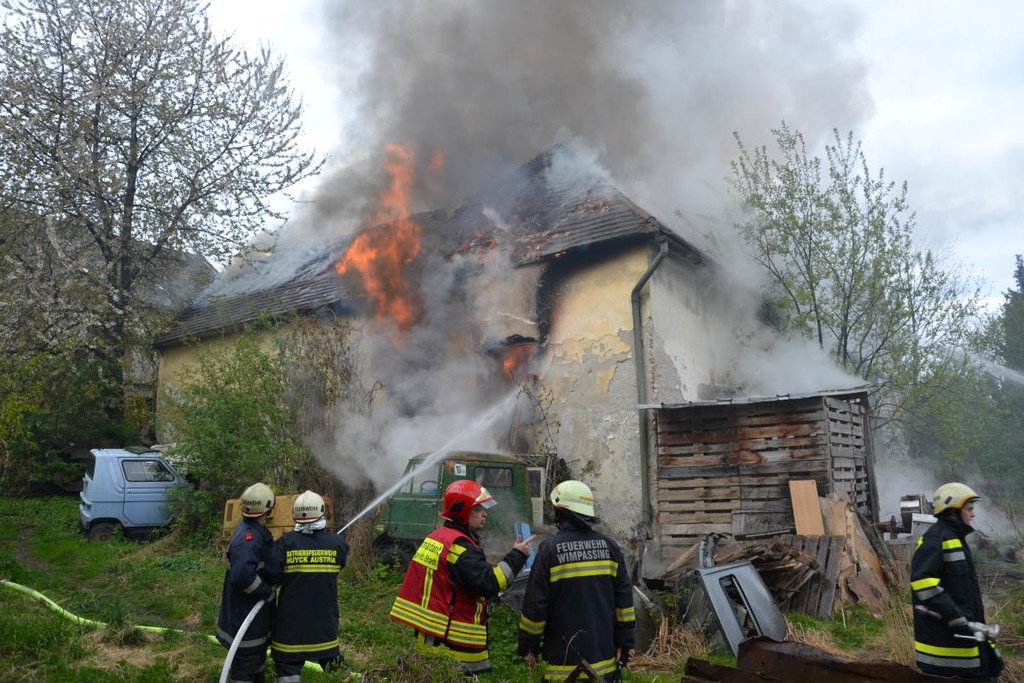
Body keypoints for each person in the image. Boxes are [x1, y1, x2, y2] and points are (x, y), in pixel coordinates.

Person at [389, 479, 534, 675]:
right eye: (478, 509)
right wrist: (517, 555)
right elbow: (490, 584)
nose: (485, 513)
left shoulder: (437, 537)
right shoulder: (461, 549)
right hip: (454, 642)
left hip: (430, 634)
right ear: (462, 510)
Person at [518, 480, 635, 682]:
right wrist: (626, 643)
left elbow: (535, 608)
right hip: (605, 667)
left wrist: (529, 647)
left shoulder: (549, 549)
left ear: (560, 512)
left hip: (562, 670)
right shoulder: (610, 547)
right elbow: (624, 602)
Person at [911, 482, 1003, 680]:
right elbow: (922, 582)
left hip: (962, 645)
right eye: (969, 509)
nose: (973, 514)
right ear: (953, 511)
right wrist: (956, 617)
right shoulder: (936, 539)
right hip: (946, 654)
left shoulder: (954, 537)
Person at [268, 490, 354, 683]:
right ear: (322, 513)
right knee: (332, 662)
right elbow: (339, 566)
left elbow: (272, 575)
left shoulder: (285, 543)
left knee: (287, 668)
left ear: (295, 515)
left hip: (289, 629)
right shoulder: (338, 544)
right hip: (324, 626)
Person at [217, 482, 278, 683]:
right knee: (244, 671)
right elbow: (243, 576)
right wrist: (266, 592)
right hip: (245, 620)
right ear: (269, 508)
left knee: (256, 667)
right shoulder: (249, 538)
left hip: (252, 621)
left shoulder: (252, 531)